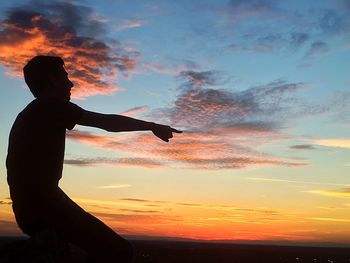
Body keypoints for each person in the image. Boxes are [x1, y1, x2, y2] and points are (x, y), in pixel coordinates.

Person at [6, 55, 182, 262]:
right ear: (53, 79)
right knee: (119, 251)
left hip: (35, 203)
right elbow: (108, 123)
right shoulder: (50, 106)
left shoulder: (33, 112)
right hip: (44, 204)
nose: (70, 83)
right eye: (65, 76)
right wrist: (152, 126)